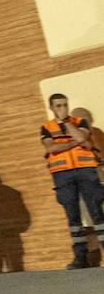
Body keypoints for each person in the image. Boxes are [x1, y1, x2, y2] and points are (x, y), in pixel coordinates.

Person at [40, 93, 104, 269]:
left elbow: (82, 138)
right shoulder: (46, 127)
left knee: (97, 213)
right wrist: (75, 143)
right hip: (62, 174)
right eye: (58, 106)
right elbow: (51, 147)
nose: (63, 109)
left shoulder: (79, 121)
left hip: (86, 171)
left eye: (65, 105)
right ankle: (80, 257)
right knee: (73, 217)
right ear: (52, 108)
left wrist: (66, 123)